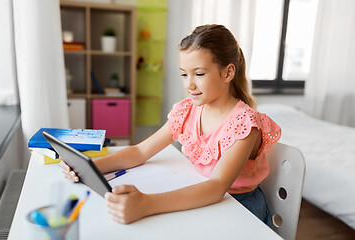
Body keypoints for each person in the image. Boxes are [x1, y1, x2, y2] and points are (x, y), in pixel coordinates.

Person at [60, 24, 281, 226]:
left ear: (228, 72)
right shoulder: (187, 111)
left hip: (239, 209)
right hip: (203, 196)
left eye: (200, 74)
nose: (189, 84)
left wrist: (146, 204)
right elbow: (139, 151)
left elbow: (216, 187)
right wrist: (90, 167)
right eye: (184, 74)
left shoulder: (245, 124)